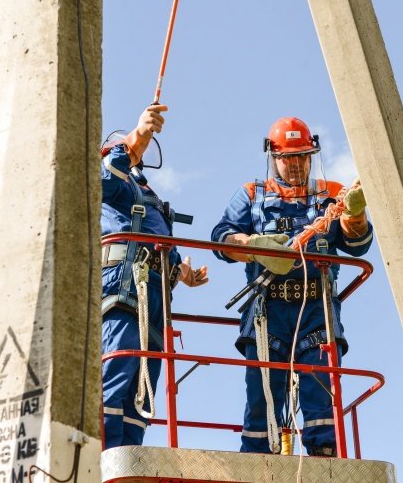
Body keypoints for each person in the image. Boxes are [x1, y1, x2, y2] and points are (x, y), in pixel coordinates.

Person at [211, 117, 372, 457]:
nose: (296, 164)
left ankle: (325, 464)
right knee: (262, 399)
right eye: (288, 158)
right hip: (267, 312)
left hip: (317, 312)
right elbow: (221, 239)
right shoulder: (252, 194)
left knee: (321, 401)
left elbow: (357, 245)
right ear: (274, 156)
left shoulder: (334, 195)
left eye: (302, 156)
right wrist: (255, 244)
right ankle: (256, 463)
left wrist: (355, 216)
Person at [101, 104, 208, 448]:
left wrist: (181, 272)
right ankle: (101, 463)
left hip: (153, 303)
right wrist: (137, 136)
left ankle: (126, 464)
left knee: (139, 401)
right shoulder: (111, 181)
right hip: (124, 293)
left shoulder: (148, 198)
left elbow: (157, 246)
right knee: (114, 385)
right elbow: (108, 174)